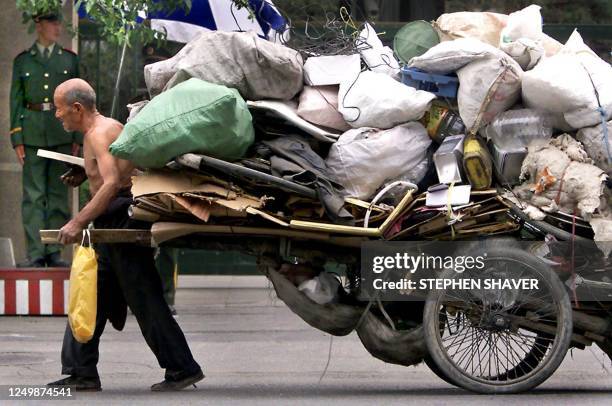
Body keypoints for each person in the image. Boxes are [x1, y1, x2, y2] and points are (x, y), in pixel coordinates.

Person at [46, 78, 203, 391]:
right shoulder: (105, 128)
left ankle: (182, 368)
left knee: (144, 298)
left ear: (77, 108)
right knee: (90, 295)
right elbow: (115, 169)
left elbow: (112, 184)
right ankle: (82, 372)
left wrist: (78, 222)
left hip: (122, 221)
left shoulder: (98, 133)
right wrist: (84, 171)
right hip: (111, 222)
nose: (57, 115)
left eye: (60, 109)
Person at [9, 11, 80, 268]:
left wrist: (78, 136)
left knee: (59, 194)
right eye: (53, 22)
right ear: (39, 25)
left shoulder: (69, 60)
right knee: (33, 196)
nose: (58, 27)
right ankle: (36, 252)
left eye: (59, 22)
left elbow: (79, 100)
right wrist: (16, 137)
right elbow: (15, 100)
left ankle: (55, 252)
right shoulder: (24, 61)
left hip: (62, 132)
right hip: (32, 133)